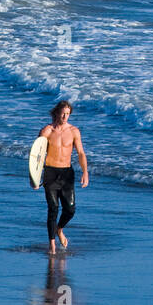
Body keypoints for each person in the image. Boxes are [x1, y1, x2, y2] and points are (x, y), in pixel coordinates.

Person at [35, 100, 89, 254]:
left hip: (66, 173)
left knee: (70, 209)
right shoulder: (47, 131)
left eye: (68, 114)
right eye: (63, 113)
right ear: (57, 112)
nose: (65, 116)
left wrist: (85, 171)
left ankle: (59, 229)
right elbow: (36, 156)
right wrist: (35, 177)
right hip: (50, 173)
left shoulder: (73, 131)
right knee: (53, 209)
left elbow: (80, 153)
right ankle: (52, 245)